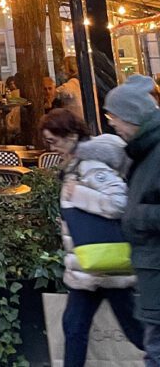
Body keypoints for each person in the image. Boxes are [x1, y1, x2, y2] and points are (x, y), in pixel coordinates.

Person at [40, 108, 143, 367]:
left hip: (104, 265)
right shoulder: (76, 164)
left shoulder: (90, 164)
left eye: (54, 141)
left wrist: (79, 197)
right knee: (74, 327)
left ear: (72, 135)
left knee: (136, 332)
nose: (52, 148)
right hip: (89, 266)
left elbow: (120, 202)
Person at [104, 79, 160, 366]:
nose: (112, 124)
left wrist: (135, 215)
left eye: (114, 117)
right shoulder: (144, 151)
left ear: (132, 116)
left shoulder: (154, 153)